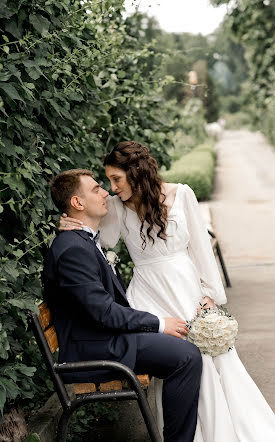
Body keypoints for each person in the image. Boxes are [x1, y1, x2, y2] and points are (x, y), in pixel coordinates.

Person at [59, 141, 275, 442]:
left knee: (212, 357)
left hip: (187, 286)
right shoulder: (119, 208)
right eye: (107, 181)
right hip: (150, 294)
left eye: (116, 179)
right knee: (179, 359)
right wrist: (70, 224)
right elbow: (99, 240)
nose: (111, 188)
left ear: (136, 173)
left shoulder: (182, 193)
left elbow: (200, 248)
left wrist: (210, 293)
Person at [43, 168, 202, 442]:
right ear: (77, 203)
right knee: (186, 357)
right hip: (95, 347)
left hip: (102, 337)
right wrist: (159, 323)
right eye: (96, 189)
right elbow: (104, 312)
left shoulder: (82, 240)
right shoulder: (73, 250)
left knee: (183, 352)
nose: (105, 192)